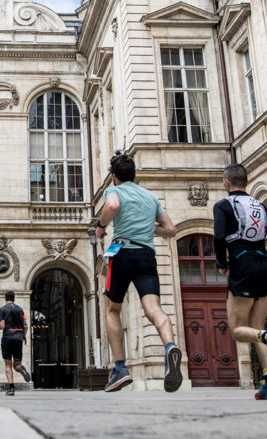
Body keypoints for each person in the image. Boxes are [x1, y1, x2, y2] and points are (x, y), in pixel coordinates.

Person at [96, 152, 183, 393]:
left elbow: (112, 206)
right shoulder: (149, 196)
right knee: (153, 308)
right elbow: (171, 229)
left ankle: (120, 369)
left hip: (122, 253)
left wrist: (101, 226)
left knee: (112, 309)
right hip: (146, 255)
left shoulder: (115, 191)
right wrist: (148, 229)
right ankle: (169, 347)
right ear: (134, 174)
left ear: (114, 177)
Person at [213, 162, 267, 400]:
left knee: (239, 329)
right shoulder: (260, 206)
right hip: (263, 266)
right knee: (256, 329)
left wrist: (222, 263)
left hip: (242, 266)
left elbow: (219, 237)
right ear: (247, 181)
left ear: (226, 182)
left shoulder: (223, 205)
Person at [0, 290, 31, 396]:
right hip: (18, 338)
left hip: (7, 338)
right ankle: (20, 368)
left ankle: (11, 389)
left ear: (5, 299)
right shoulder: (21, 310)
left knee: (8, 365)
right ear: (14, 299)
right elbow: (26, 326)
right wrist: (23, 336)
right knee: (16, 364)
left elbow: (2, 326)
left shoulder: (3, 309)